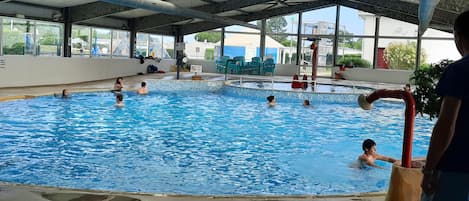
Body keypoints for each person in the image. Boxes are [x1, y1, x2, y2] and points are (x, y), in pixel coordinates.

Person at [421, 10, 469, 201]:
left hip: (455, 168)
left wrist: (429, 169)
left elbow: (446, 125)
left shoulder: (459, 71)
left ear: (457, 37)